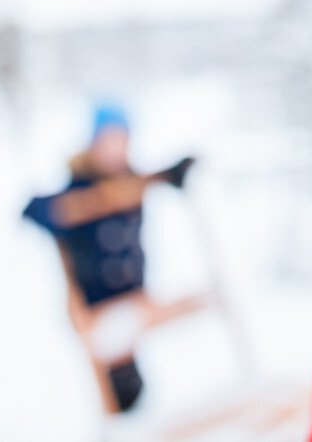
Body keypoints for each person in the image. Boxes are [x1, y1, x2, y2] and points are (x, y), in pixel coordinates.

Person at [24, 104, 195, 413]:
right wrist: (58, 212)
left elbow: (158, 176)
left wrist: (175, 173)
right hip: (100, 305)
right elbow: (34, 209)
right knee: (116, 350)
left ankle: (129, 407)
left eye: (122, 140)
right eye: (108, 141)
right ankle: (122, 408)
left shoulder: (132, 178)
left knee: (127, 347)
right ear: (94, 144)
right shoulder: (79, 184)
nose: (116, 149)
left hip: (133, 297)